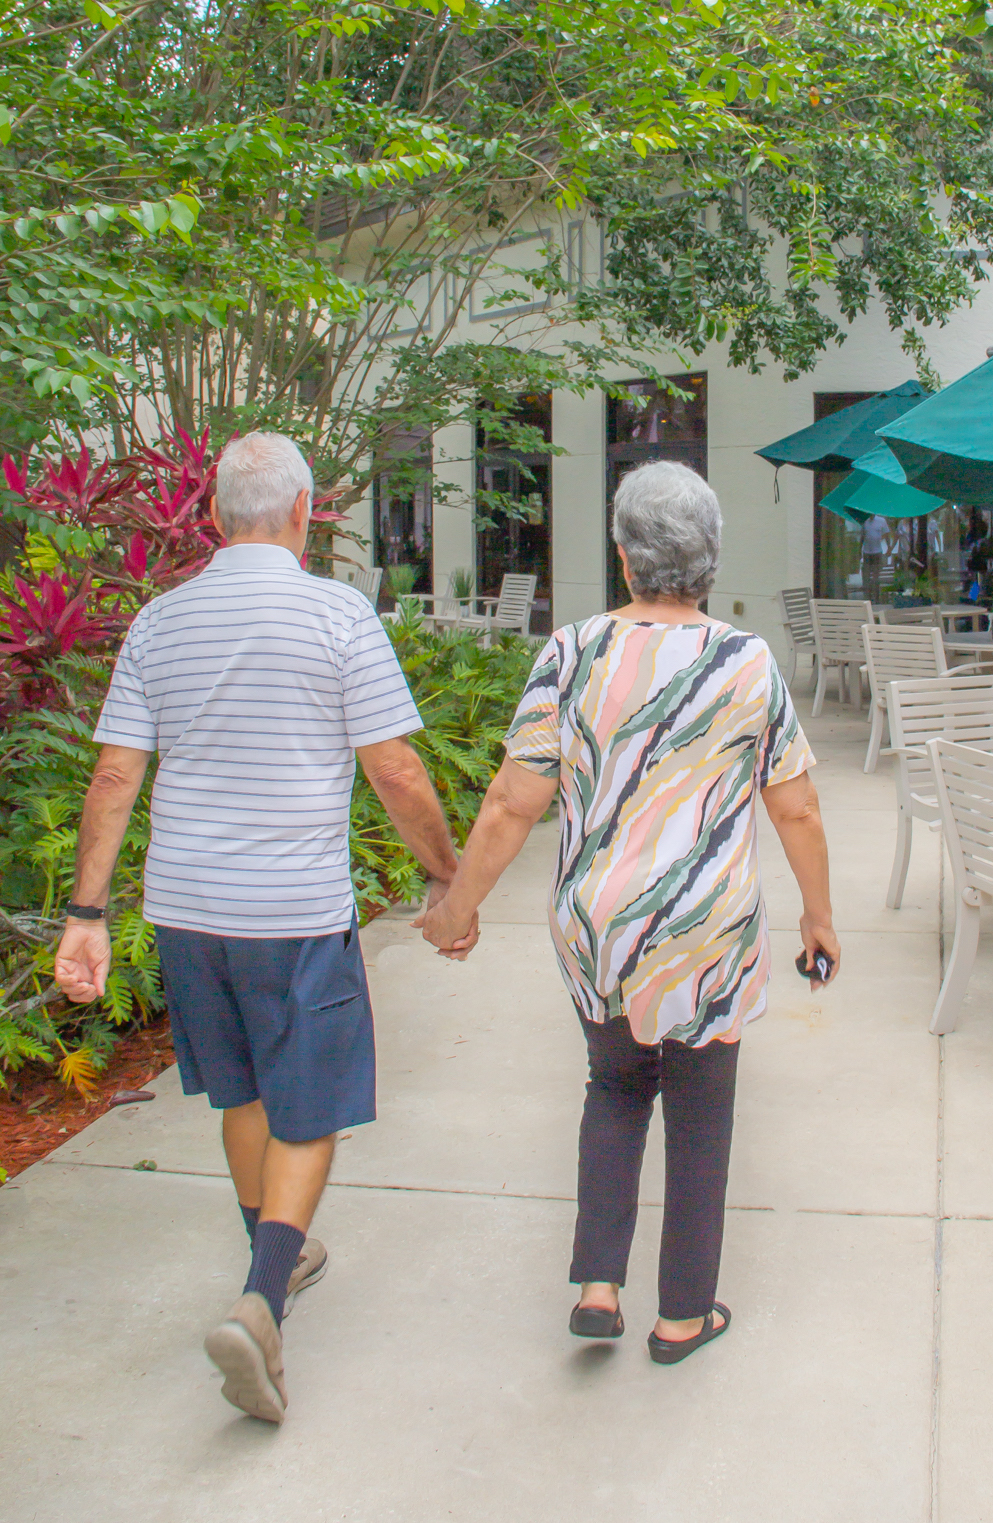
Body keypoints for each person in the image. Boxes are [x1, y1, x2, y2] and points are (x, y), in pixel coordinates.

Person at [53, 432, 474, 1425]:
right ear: (304, 510)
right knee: (310, 1102)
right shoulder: (337, 614)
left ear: (210, 518)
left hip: (188, 909)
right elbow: (397, 771)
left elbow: (115, 773)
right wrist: (448, 878)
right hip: (293, 911)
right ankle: (262, 1291)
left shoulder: (159, 621)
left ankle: (272, 1256)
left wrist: (86, 913)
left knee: (239, 1090)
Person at [419, 460, 839, 1364]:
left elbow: (509, 803)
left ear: (623, 558)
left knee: (612, 1085)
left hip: (597, 928)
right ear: (710, 558)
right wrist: (818, 915)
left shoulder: (568, 653)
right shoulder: (745, 661)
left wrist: (459, 905)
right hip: (707, 932)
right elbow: (795, 806)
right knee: (700, 1112)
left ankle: (598, 1286)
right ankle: (682, 1314)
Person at [861, 514, 888, 600]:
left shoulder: (881, 521)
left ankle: (876, 595)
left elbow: (887, 534)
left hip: (877, 552)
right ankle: (868, 595)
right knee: (867, 575)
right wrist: (859, 550)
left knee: (876, 575)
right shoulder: (864, 521)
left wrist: (889, 547)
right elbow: (862, 536)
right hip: (867, 552)